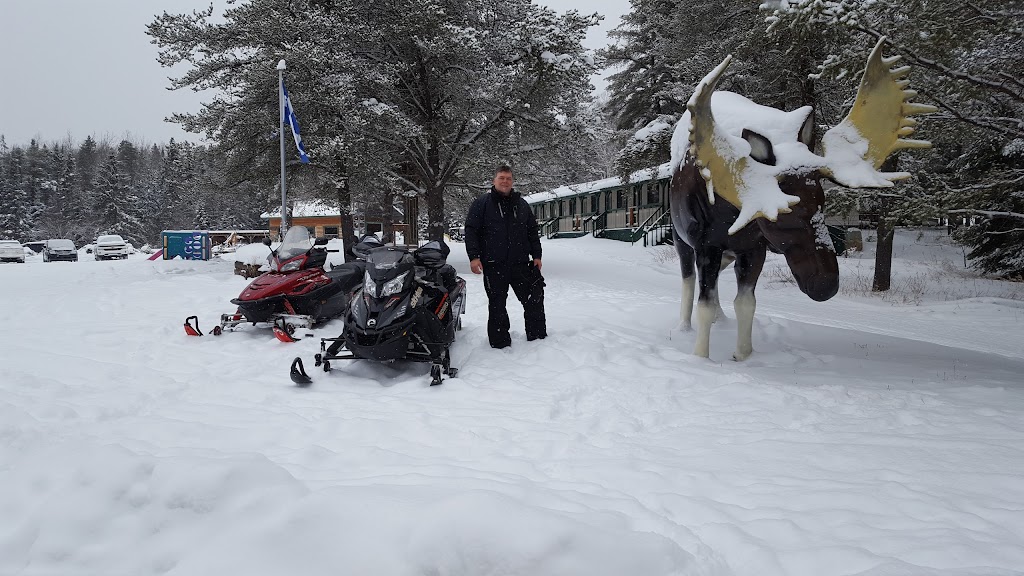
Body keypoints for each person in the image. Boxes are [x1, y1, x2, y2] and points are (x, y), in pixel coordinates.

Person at [465, 165, 547, 348]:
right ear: (494, 181)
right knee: (497, 305)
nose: (505, 181)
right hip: (494, 265)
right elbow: (471, 231)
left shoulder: (522, 204)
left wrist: (537, 255)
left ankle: (538, 337)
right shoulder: (482, 204)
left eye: (508, 178)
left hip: (520, 264)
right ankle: (500, 343)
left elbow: (532, 231)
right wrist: (474, 257)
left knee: (533, 299)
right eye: (501, 178)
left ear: (512, 181)